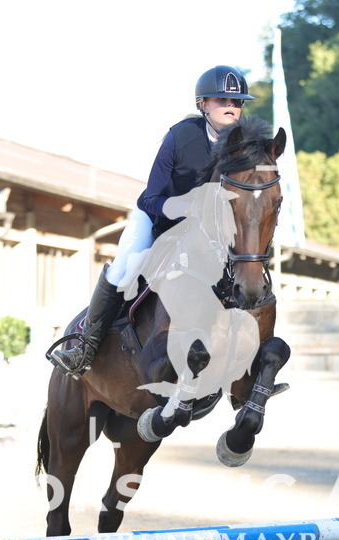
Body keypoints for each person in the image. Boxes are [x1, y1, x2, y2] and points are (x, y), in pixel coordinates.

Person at [49, 65, 254, 377]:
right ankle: (86, 346)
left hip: (209, 232)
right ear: (202, 104)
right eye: (221, 100)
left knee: (247, 269)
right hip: (157, 219)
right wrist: (186, 208)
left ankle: (248, 366)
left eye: (236, 102)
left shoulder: (245, 147)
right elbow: (151, 198)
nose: (230, 106)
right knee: (125, 266)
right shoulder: (180, 137)